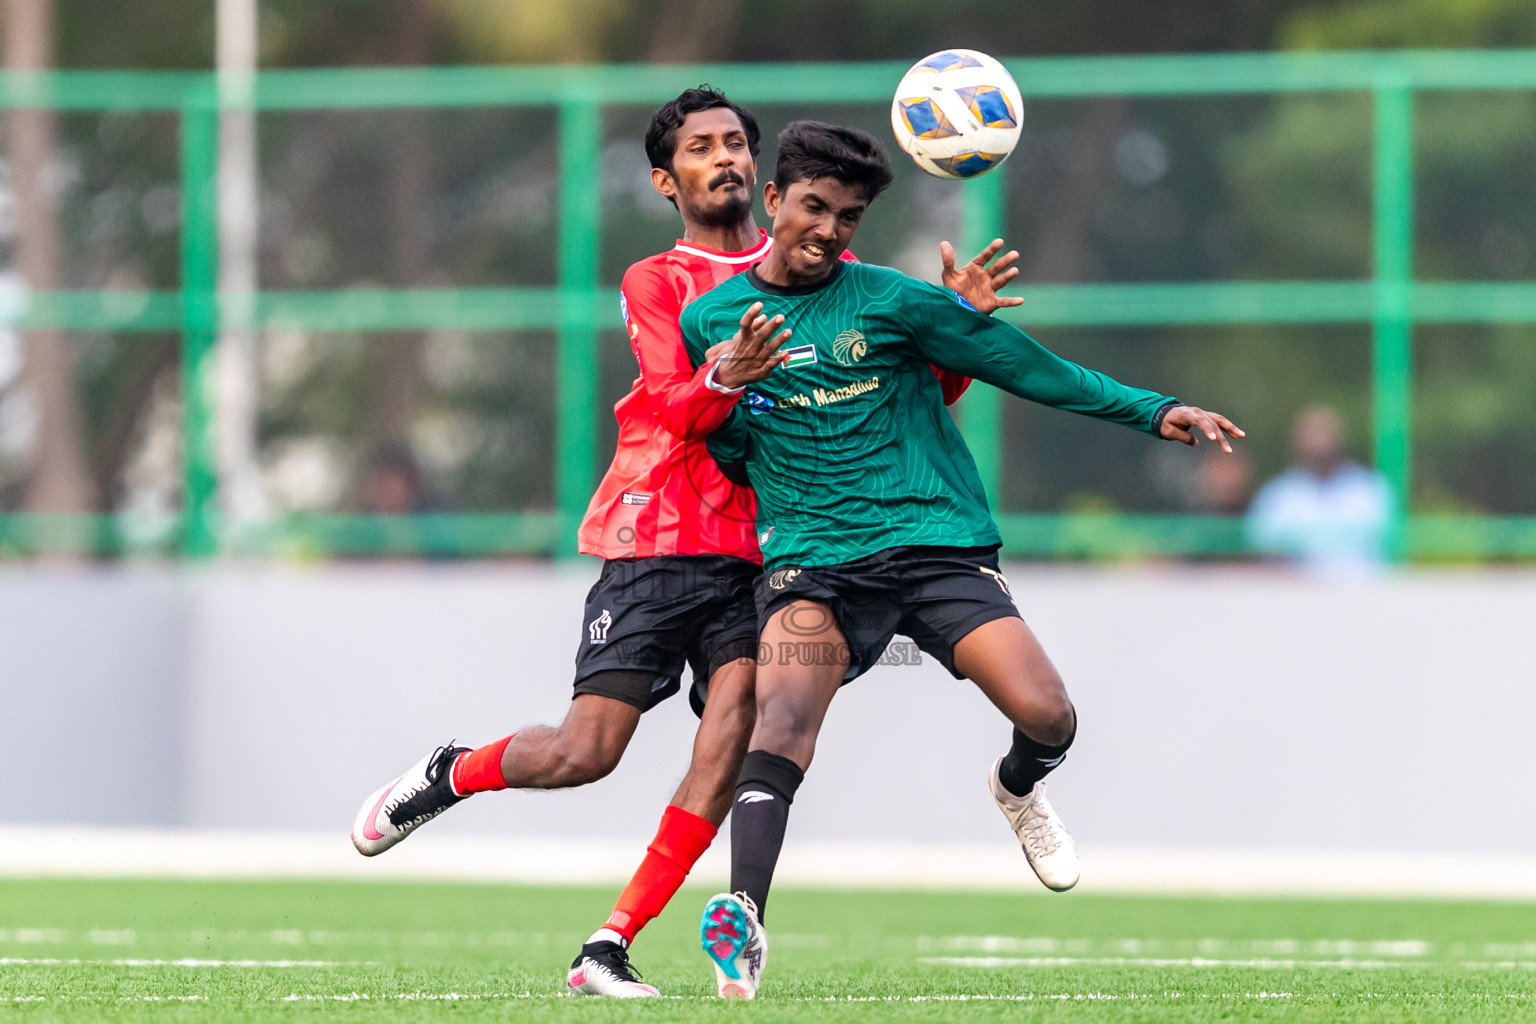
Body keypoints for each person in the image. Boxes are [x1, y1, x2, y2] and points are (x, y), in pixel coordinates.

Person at [348, 89, 1007, 999]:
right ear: (668, 179)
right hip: (660, 540)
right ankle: (451, 773)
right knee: (587, 751)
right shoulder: (657, 282)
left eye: (738, 142)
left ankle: (608, 944)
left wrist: (958, 345)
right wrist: (723, 375)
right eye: (702, 148)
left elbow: (893, 410)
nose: (725, 157)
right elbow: (668, 409)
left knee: (733, 735)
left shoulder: (838, 276)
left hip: (777, 554)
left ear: (769, 180)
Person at [679, 121, 1244, 999]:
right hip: (813, 565)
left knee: (1049, 715)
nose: (830, 229)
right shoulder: (711, 320)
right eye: (816, 207)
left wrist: (1153, 410)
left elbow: (1025, 365)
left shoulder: (895, 301)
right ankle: (743, 924)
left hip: (936, 548)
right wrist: (728, 386)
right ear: (775, 201)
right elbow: (728, 452)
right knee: (779, 720)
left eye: (850, 216)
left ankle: (1018, 789)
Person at [1247, 405, 1392, 573]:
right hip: (1295, 593)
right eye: (1313, 434)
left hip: (1362, 590)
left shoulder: (1369, 490)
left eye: (1325, 433)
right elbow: (1263, 550)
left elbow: (1386, 549)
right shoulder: (1278, 496)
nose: (1320, 443)